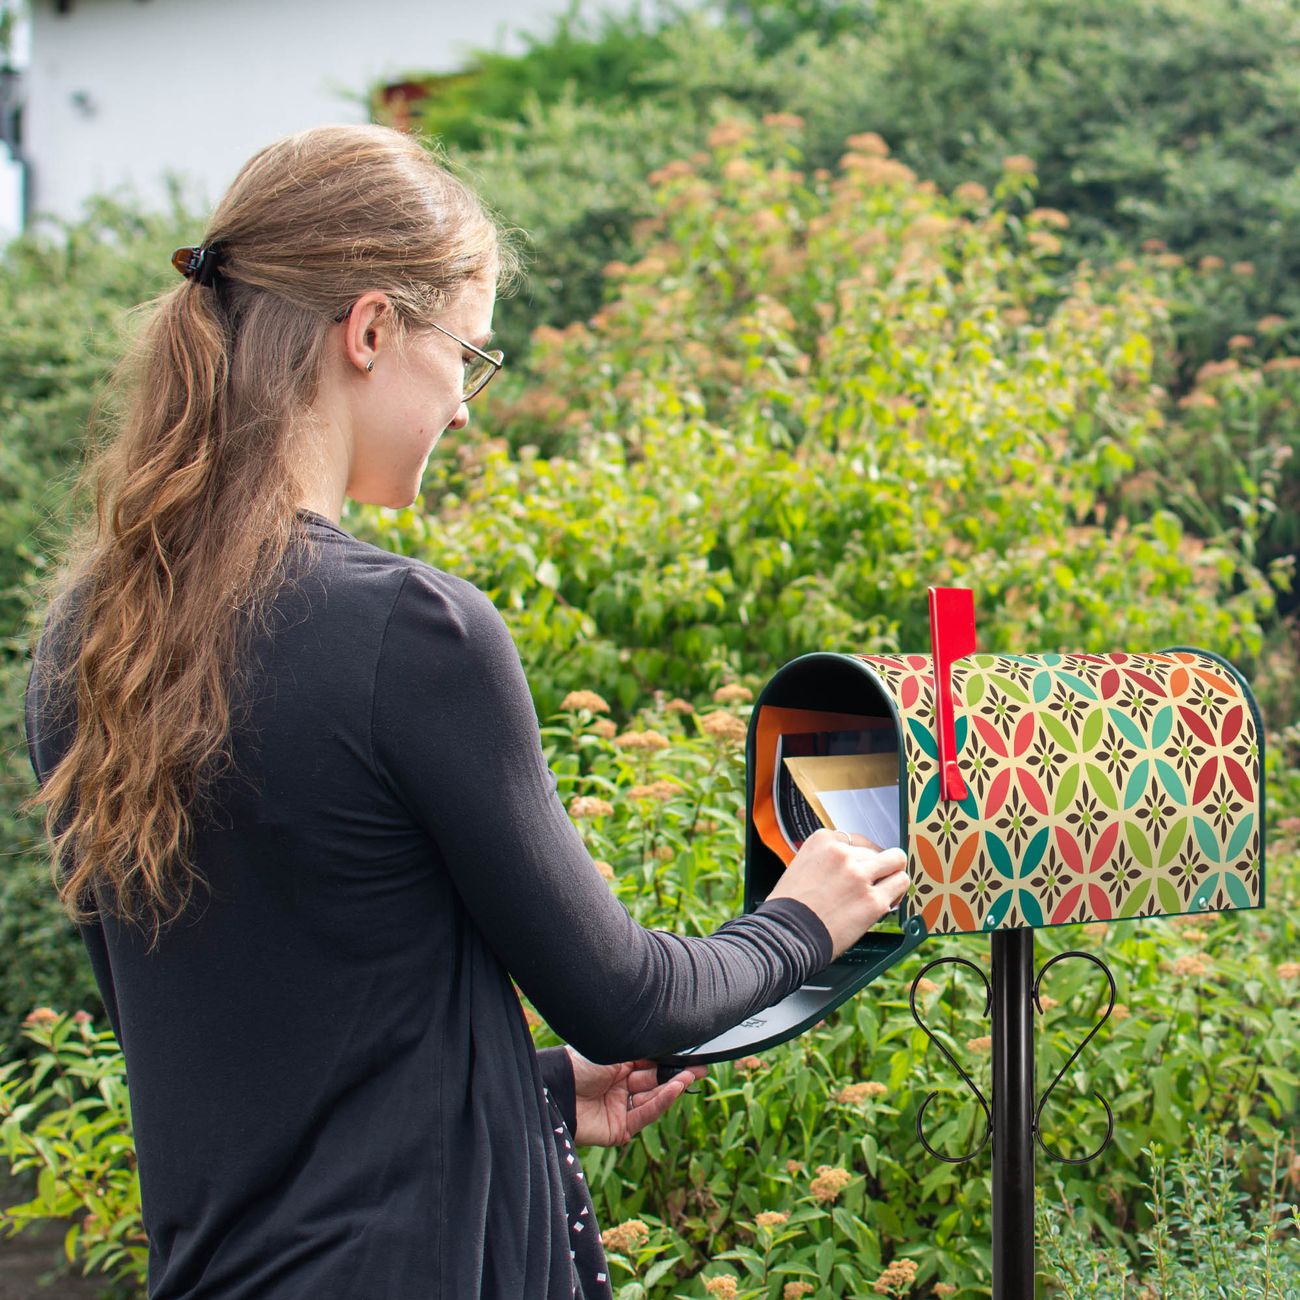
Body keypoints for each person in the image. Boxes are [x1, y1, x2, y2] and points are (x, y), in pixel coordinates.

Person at [22, 124, 910, 1300]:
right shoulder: (406, 630)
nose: (465, 409)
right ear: (370, 329)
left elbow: (236, 1045)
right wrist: (802, 918)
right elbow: (629, 996)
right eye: (467, 355)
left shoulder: (88, 640)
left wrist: (528, 1087)